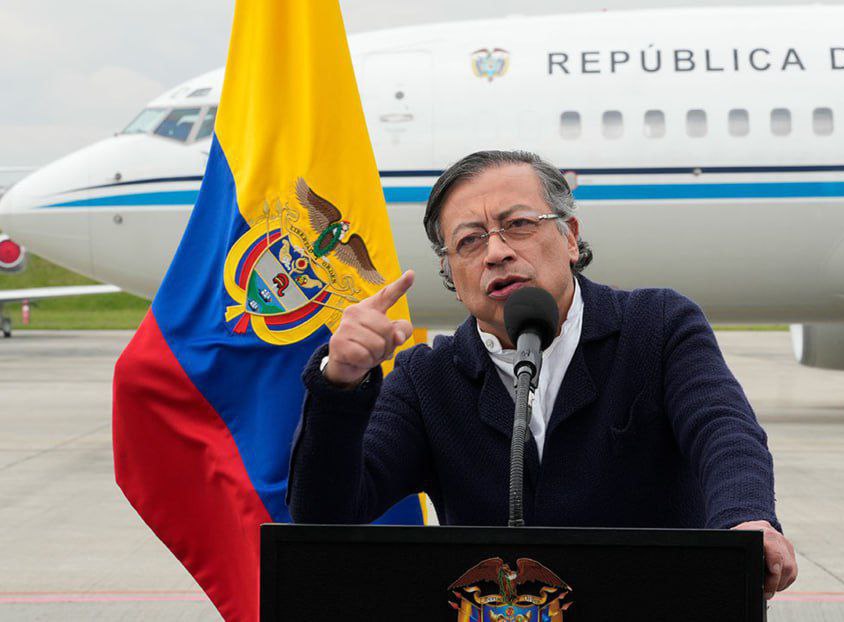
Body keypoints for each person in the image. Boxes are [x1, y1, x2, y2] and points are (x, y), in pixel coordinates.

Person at [287, 150, 797, 598]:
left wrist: (744, 517)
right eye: (468, 242)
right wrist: (342, 382)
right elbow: (328, 510)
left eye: (519, 225)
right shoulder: (428, 377)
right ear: (451, 277)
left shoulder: (658, 326)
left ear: (570, 236)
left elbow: (723, 431)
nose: (496, 252)